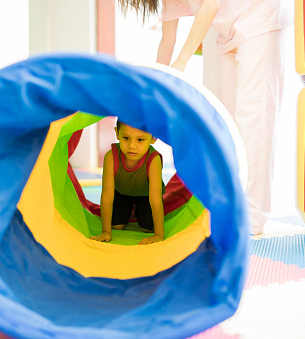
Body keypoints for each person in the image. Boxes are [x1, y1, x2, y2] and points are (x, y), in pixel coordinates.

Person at [118, 0, 292, 235]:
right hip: (227, 31)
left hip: (259, 15)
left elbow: (209, 6)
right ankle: (230, 208)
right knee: (227, 125)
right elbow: (167, 40)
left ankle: (253, 218)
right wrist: (156, 94)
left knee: (254, 120)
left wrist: (180, 64)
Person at [90, 120, 165, 245]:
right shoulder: (111, 157)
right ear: (117, 133)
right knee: (116, 226)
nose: (132, 146)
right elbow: (107, 195)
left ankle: (137, 210)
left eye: (140, 140)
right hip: (121, 193)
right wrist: (106, 232)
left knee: (147, 229)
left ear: (153, 138)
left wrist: (159, 235)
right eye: (126, 138)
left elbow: (155, 198)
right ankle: (129, 210)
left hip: (145, 196)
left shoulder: (153, 159)